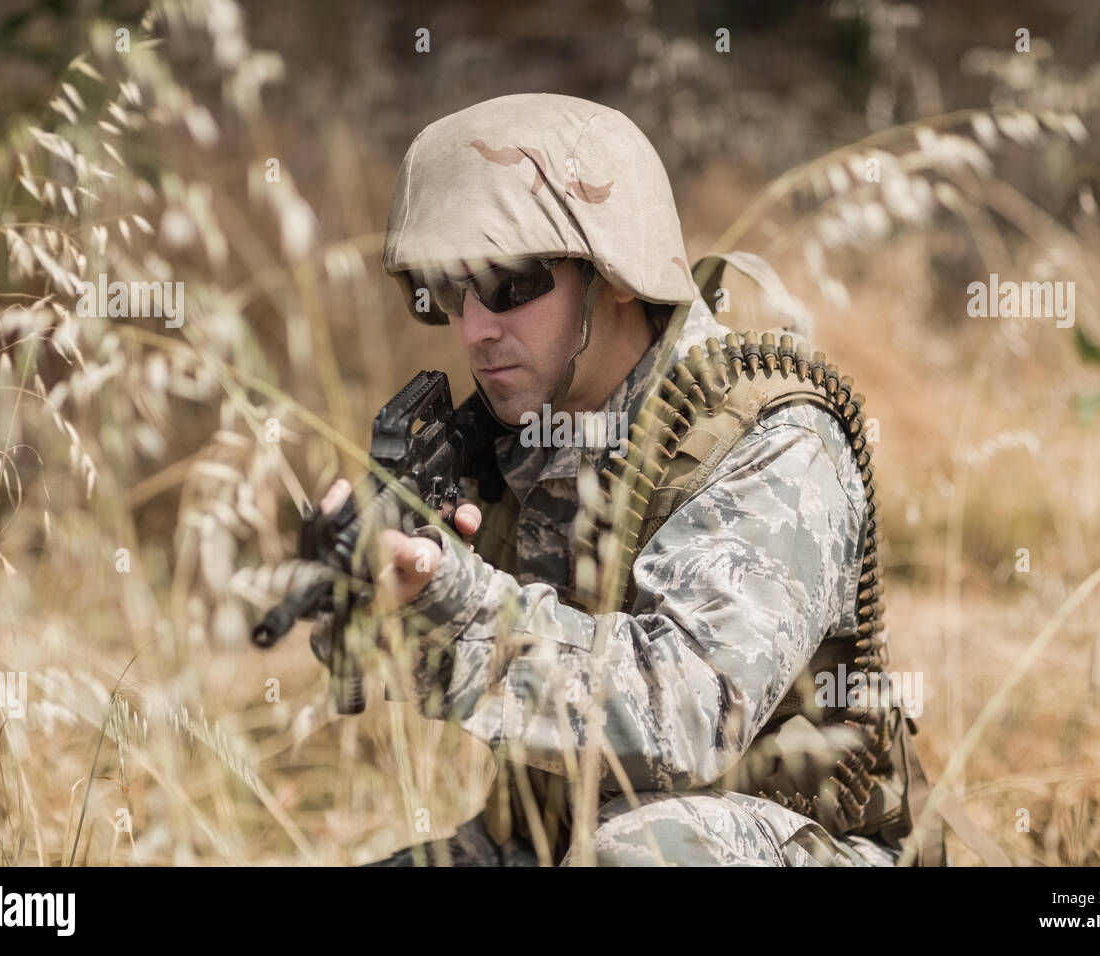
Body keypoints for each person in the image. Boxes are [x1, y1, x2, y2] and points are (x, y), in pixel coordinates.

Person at [319, 92, 944, 866]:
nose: (476, 327)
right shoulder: (506, 439)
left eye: (511, 282)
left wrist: (461, 602)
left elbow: (685, 716)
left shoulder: (767, 438)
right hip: (560, 839)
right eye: (451, 290)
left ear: (614, 270)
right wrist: (379, 605)